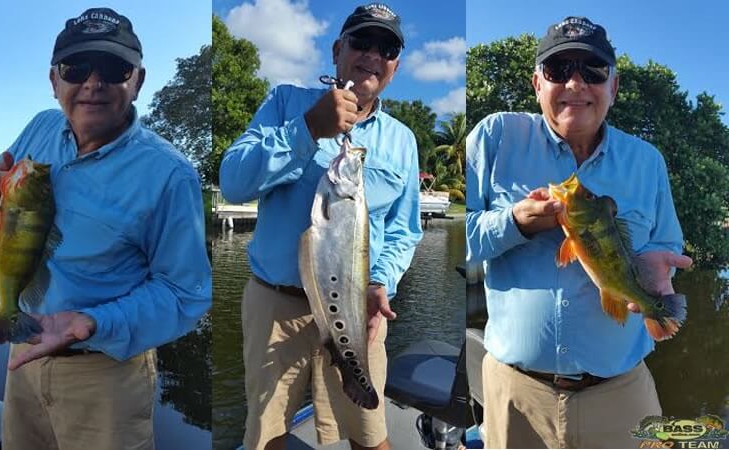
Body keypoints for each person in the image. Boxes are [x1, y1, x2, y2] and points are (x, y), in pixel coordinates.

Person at [0, 8, 211, 450]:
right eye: (76, 68)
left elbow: (186, 293)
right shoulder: (41, 127)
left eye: (114, 69)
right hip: (22, 354)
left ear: (137, 79)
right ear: (54, 80)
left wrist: (91, 322)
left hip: (106, 374)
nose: (93, 83)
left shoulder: (171, 174)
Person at [465, 16, 693, 449]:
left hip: (621, 392)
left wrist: (655, 270)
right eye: (558, 69)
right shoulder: (495, 137)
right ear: (536, 83)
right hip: (515, 392)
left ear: (614, 86)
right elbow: (460, 241)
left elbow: (666, 244)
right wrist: (513, 223)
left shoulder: (647, 161)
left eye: (593, 71)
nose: (576, 83)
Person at [219, 3, 422, 449]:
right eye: (361, 41)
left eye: (385, 48)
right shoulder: (285, 103)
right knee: (266, 434)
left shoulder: (401, 140)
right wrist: (308, 127)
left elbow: (404, 230)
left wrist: (381, 280)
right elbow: (233, 181)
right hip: (277, 307)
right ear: (337, 50)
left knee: (370, 432)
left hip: (358, 308)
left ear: (395, 66)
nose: (372, 54)